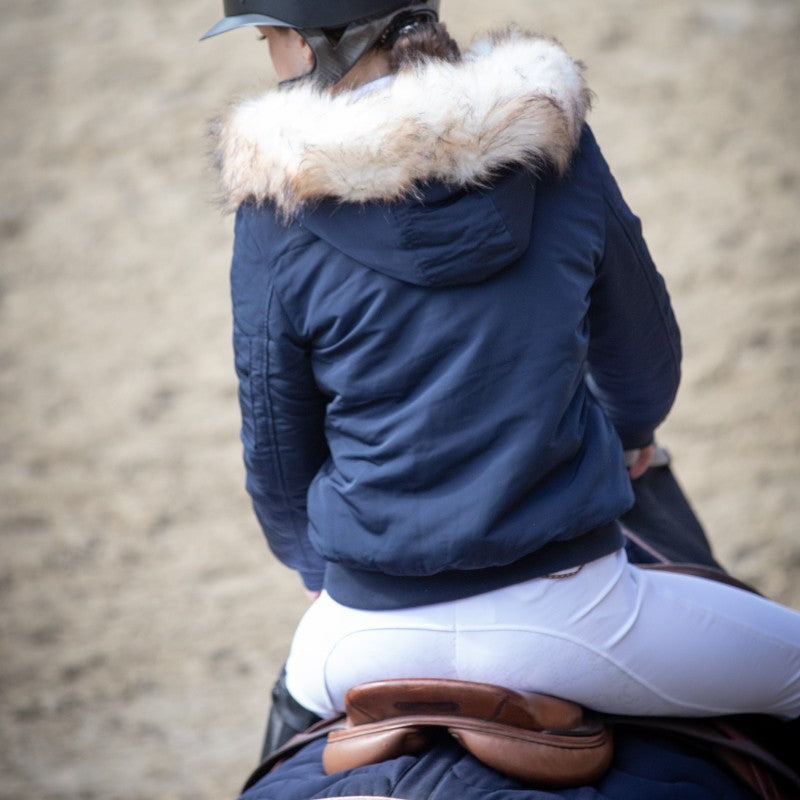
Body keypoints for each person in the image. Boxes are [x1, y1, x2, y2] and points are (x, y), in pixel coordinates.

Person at [203, 0, 800, 726]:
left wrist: (312, 571)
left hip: (367, 635)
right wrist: (633, 432)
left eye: (268, 40)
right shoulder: (552, 143)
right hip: (580, 616)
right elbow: (642, 355)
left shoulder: (272, 212)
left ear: (305, 45)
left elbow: (274, 443)